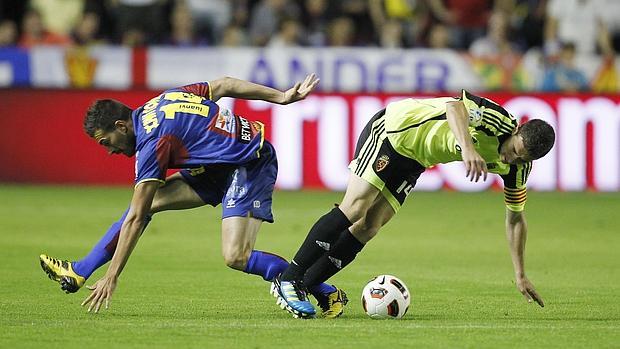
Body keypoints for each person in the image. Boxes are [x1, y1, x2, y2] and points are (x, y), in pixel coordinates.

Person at [39, 74, 349, 318]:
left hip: (248, 162)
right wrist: (280, 97)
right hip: (216, 166)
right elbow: (224, 84)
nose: (109, 151)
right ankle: (79, 271)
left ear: (121, 126)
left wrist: (112, 275)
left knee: (235, 256)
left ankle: (322, 289)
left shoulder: (152, 142)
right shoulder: (164, 100)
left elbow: (134, 219)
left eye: (107, 142)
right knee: (149, 203)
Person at [272, 90, 555, 318]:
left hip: (416, 161)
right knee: (356, 207)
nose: (510, 160)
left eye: (522, 159)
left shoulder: (518, 170)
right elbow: (455, 107)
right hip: (394, 132)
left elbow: (516, 219)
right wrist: (468, 148)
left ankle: (304, 286)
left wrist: (520, 274)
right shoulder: (497, 120)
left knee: (369, 227)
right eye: (514, 151)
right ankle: (290, 278)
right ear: (517, 131)